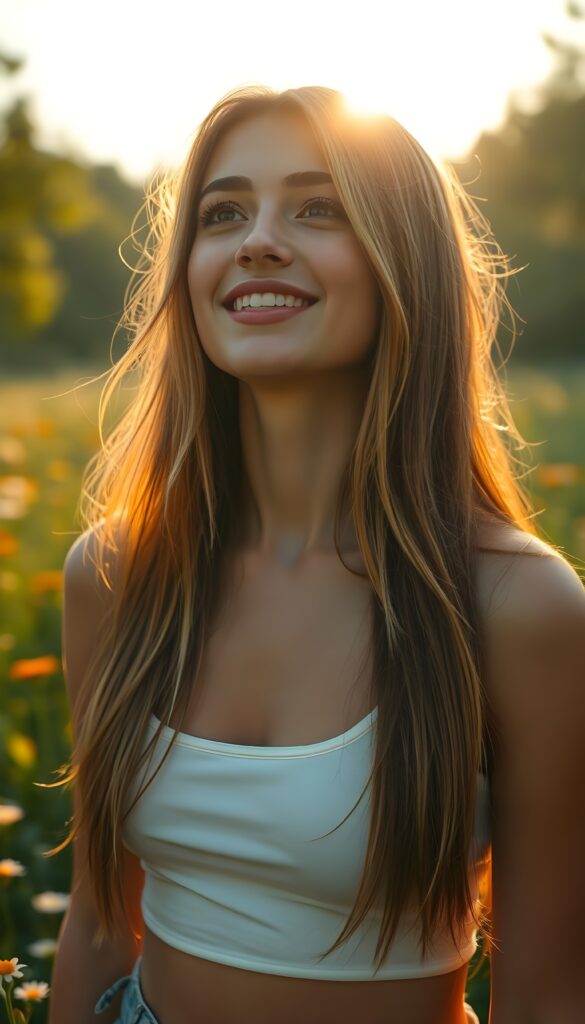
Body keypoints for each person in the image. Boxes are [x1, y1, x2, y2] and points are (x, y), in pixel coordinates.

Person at [46, 84, 585, 1024]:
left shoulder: (515, 604)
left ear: (401, 264)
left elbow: (544, 996)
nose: (256, 239)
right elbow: (98, 922)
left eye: (317, 206)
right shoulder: (116, 575)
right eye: (222, 213)